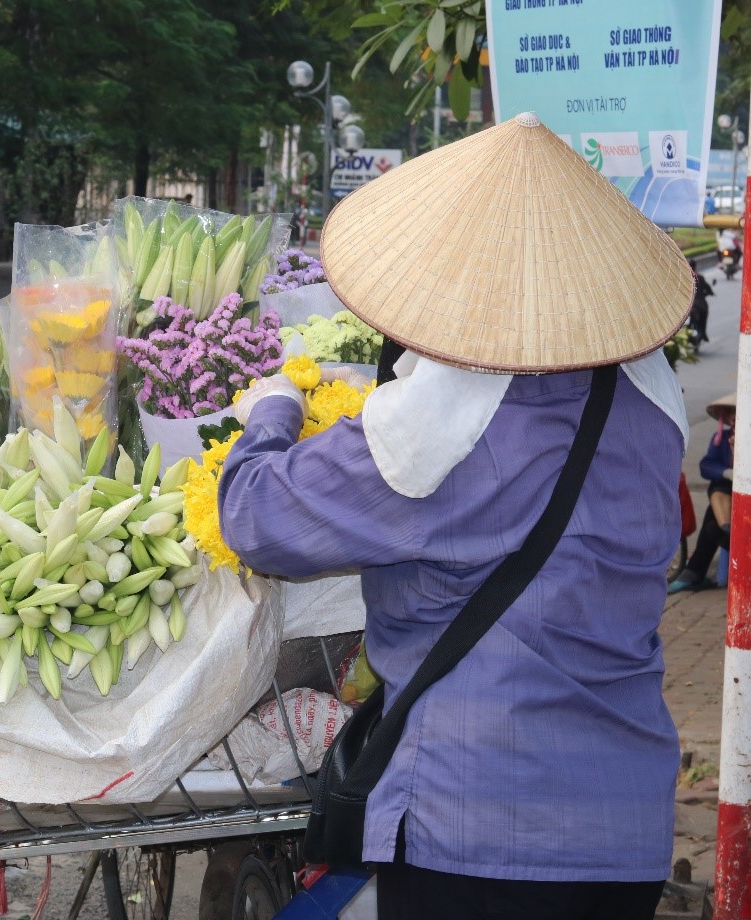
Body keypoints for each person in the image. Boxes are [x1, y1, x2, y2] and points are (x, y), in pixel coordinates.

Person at [220, 113, 690, 919]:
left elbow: (256, 517)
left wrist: (270, 413)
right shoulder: (652, 396)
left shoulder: (441, 418)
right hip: (624, 828)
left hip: (477, 829)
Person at [669, 394, 735, 594]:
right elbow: (706, 465)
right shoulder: (722, 440)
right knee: (716, 489)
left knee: (711, 518)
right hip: (724, 496)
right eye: (730, 412)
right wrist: (727, 472)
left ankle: (694, 572)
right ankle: (726, 531)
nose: (733, 417)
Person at [689, 258, 714, 345]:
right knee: (703, 319)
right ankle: (703, 333)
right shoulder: (700, 278)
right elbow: (708, 289)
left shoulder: (684, 279)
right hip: (700, 304)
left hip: (688, 307)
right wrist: (710, 293)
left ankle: (701, 333)